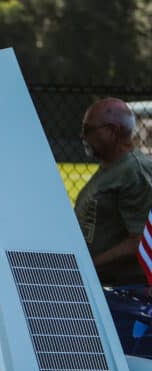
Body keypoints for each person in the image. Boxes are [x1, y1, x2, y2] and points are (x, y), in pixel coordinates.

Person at [75, 97, 152, 285]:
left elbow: (141, 240)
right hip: (102, 284)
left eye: (88, 130)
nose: (82, 136)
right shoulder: (114, 168)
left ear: (112, 131)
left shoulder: (134, 171)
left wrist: (89, 266)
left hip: (123, 291)